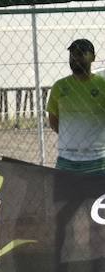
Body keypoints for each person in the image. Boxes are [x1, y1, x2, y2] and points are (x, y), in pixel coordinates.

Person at [46, 38, 105, 175]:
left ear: (93, 57)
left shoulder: (102, 85)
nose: (75, 58)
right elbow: (53, 120)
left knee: (97, 196)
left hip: (98, 161)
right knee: (63, 196)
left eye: (81, 53)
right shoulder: (59, 87)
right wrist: (71, 137)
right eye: (72, 54)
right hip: (66, 160)